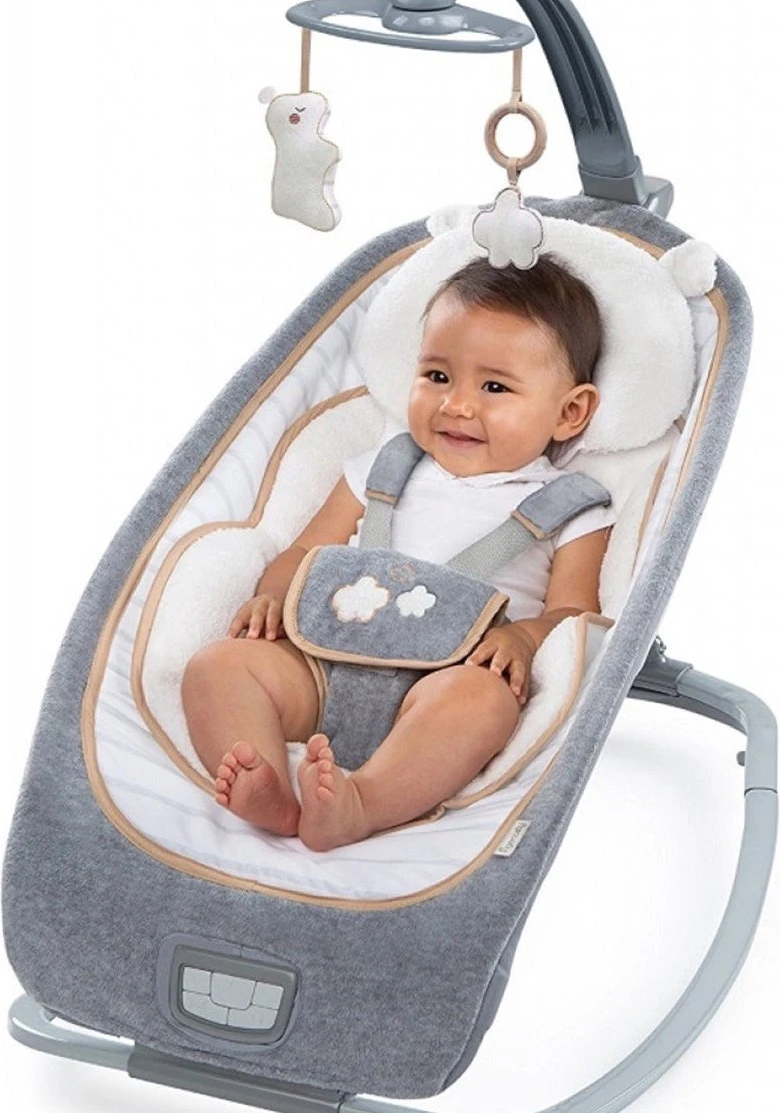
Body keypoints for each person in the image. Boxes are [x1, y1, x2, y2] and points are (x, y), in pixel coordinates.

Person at [181, 254, 614, 851]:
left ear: (570, 412)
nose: (456, 405)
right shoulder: (379, 470)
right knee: (217, 666)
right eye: (437, 376)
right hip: (321, 663)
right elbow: (306, 550)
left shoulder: (570, 506)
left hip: (443, 683)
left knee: (482, 705)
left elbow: (574, 615)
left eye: (494, 387)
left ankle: (363, 803)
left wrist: (521, 638)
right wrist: (273, 597)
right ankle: (269, 787)